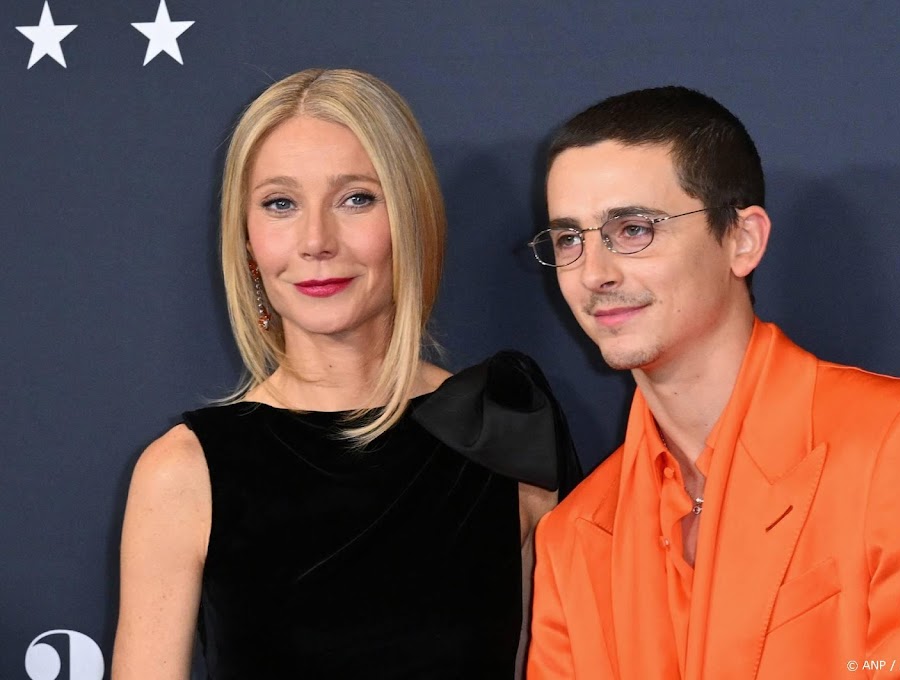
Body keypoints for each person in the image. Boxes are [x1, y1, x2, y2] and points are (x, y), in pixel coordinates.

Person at [526, 86, 900, 679]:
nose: (593, 273)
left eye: (632, 230)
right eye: (569, 240)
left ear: (742, 240)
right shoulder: (572, 537)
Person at [112, 68, 580, 679]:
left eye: (355, 198)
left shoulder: (502, 429)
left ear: (410, 217)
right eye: (280, 204)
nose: (316, 241)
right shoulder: (183, 472)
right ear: (247, 240)